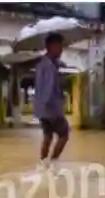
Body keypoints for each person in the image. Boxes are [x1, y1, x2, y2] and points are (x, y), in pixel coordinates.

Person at [34, 32, 69, 171]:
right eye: (59, 46)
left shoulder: (42, 64)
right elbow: (48, 89)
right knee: (64, 134)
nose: (61, 50)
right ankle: (53, 162)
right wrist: (53, 109)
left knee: (47, 136)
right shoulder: (50, 66)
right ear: (50, 47)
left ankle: (43, 164)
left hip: (41, 109)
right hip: (51, 108)